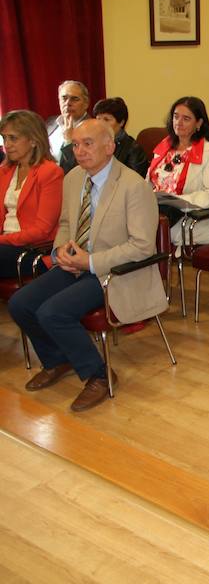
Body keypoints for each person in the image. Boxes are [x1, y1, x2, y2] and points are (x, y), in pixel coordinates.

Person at [8, 119, 167, 412]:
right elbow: (67, 223)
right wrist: (62, 251)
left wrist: (91, 261)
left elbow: (143, 246)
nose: (79, 151)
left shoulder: (133, 186)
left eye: (88, 144)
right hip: (76, 264)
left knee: (53, 312)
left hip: (114, 272)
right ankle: (58, 359)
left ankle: (99, 375)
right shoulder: (73, 178)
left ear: (110, 147)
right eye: (76, 144)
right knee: (20, 303)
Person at [147, 96, 209, 248]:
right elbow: (148, 183)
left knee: (143, 230)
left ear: (199, 123)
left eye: (186, 118)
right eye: (176, 117)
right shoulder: (164, 147)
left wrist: (180, 200)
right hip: (157, 210)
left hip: (192, 217)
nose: (178, 122)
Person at [0, 110, 64, 278]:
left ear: (34, 140)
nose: (7, 144)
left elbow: (42, 230)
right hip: (5, 245)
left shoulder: (50, 172)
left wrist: (3, 240)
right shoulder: (4, 172)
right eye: (4, 137)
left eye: (13, 138)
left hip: (33, 250)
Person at [60, 97, 149, 177]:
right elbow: (71, 172)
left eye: (106, 119)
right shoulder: (91, 143)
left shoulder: (133, 150)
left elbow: (132, 183)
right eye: (98, 119)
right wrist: (70, 141)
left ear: (121, 122)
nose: (100, 124)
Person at [46, 80, 91, 163]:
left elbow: (84, 164)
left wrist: (69, 141)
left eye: (74, 99)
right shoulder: (50, 123)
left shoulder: (94, 129)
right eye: (64, 98)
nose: (68, 103)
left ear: (86, 104)